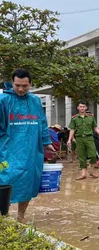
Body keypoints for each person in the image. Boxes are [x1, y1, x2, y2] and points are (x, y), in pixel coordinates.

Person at [0, 69, 55, 222]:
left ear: (31, 84)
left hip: (32, 148)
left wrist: (47, 142)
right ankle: (3, 216)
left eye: (25, 86)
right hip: (8, 149)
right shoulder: (3, 100)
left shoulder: (35, 101)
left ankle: (21, 216)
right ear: (12, 83)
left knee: (28, 182)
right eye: (17, 85)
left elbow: (42, 123)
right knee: (5, 181)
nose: (20, 89)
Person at [67, 101, 99, 180]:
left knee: (93, 155)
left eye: (84, 106)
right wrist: (69, 139)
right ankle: (83, 174)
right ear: (78, 108)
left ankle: (92, 170)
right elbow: (72, 129)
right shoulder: (75, 118)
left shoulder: (91, 117)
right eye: (80, 106)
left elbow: (95, 127)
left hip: (89, 138)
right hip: (79, 138)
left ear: (86, 108)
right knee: (81, 156)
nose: (82, 108)